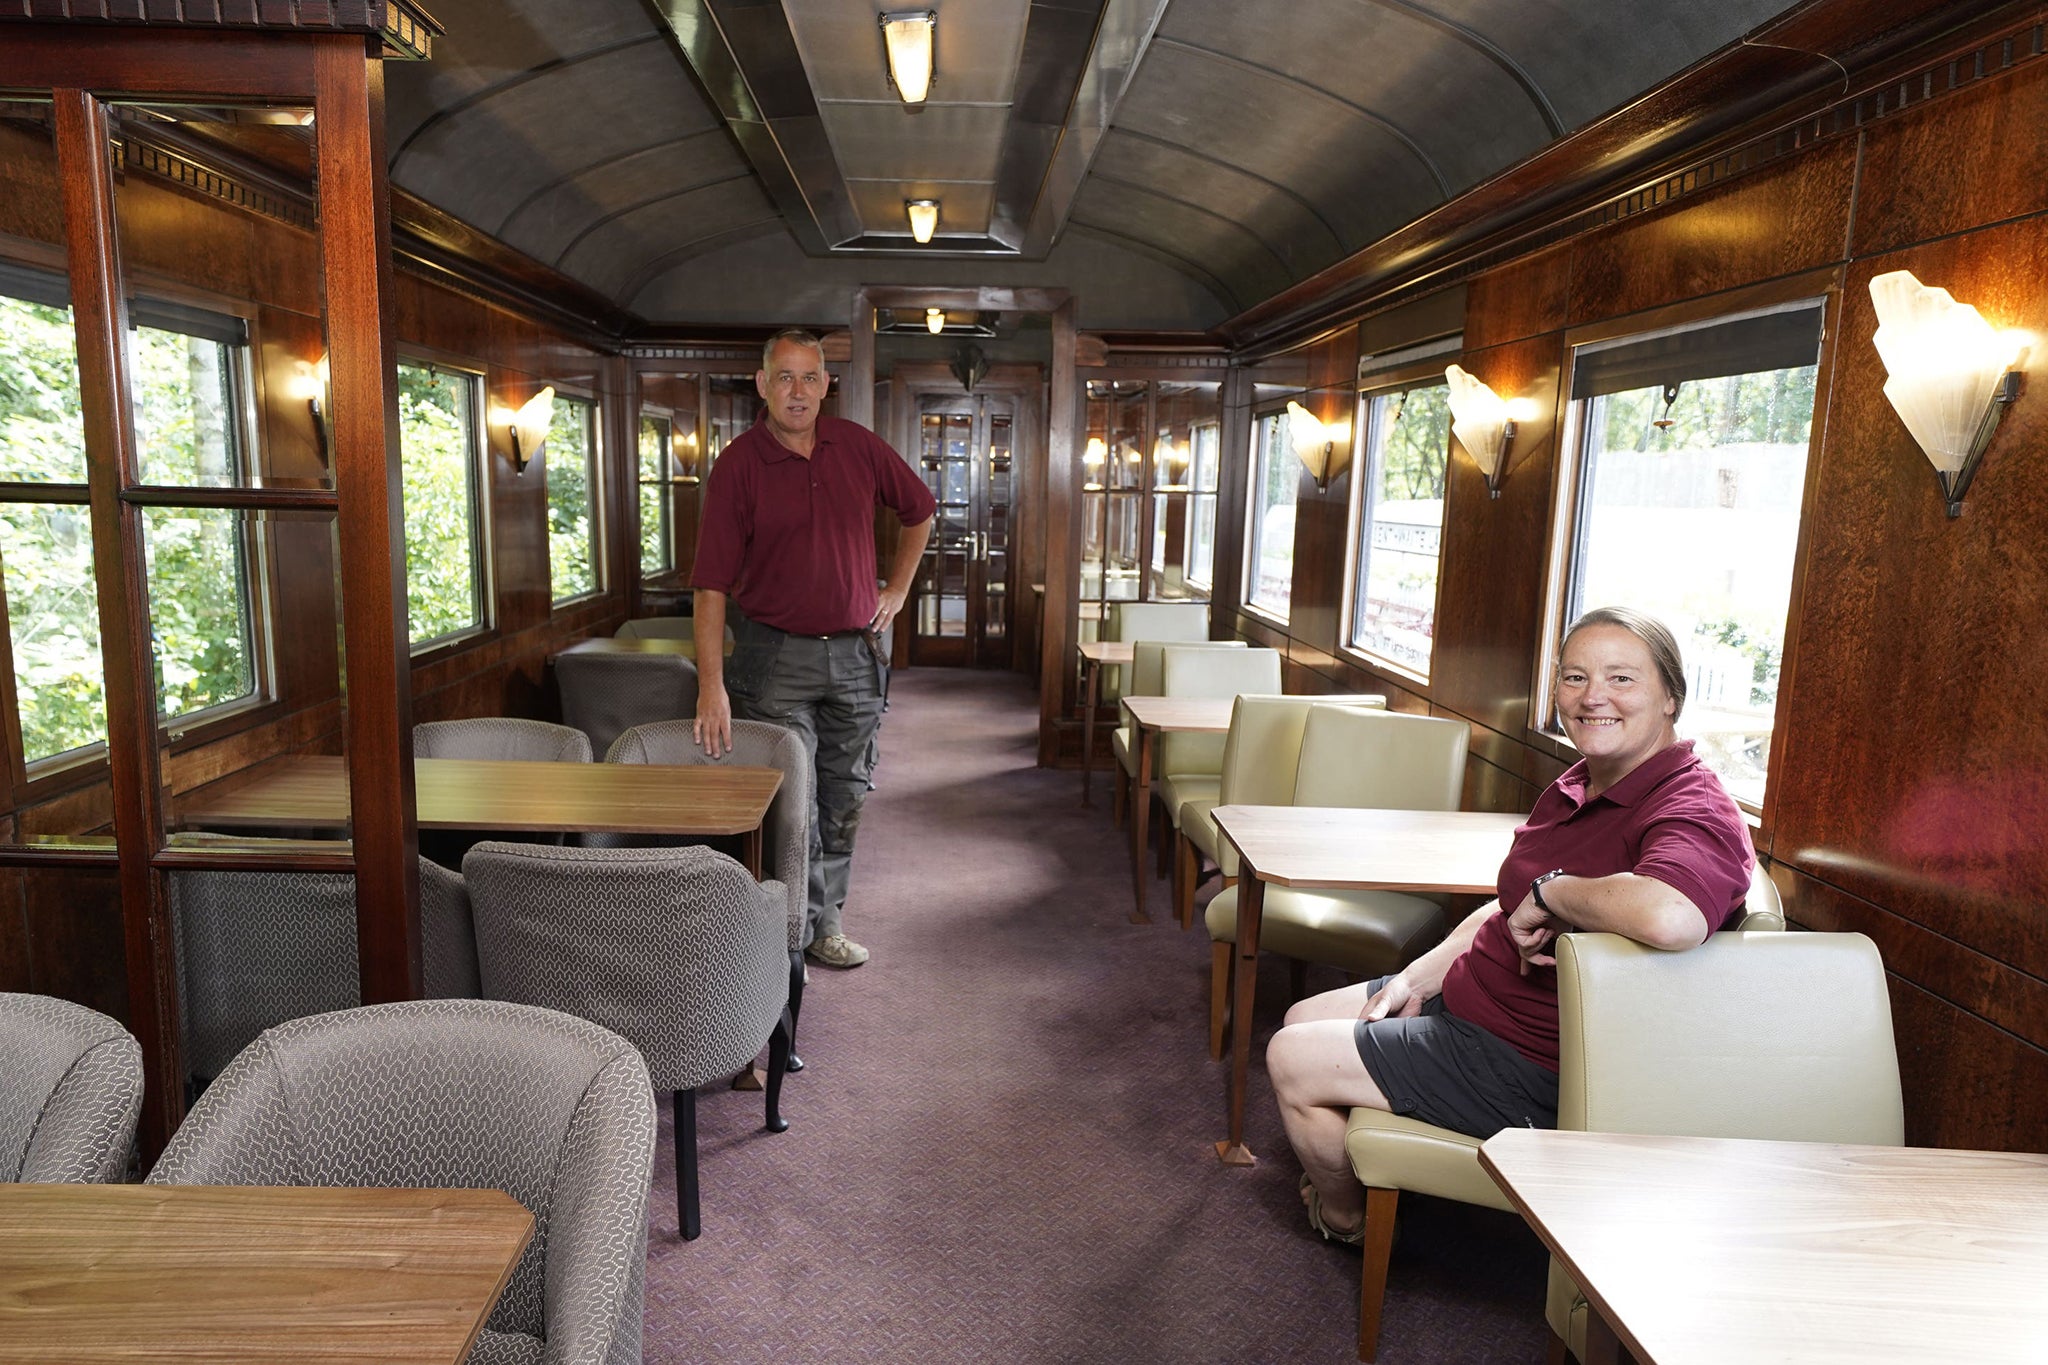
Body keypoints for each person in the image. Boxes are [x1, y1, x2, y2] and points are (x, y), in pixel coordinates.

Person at [1265, 606, 1754, 1243]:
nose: (1593, 697)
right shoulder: (1582, 783)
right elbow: (1506, 906)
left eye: (1622, 679)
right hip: (1475, 1005)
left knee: (1290, 1058)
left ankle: (1345, 1219)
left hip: (1532, 1063)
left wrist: (1557, 892)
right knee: (1300, 1017)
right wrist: (1420, 976)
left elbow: (1672, 914)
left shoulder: (1691, 807)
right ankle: (1382, 1168)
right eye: (1574, 678)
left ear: (1672, 698)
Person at [691, 329, 936, 969]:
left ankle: (826, 924)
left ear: (827, 384)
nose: (797, 392)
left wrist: (898, 589)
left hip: (857, 657)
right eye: (784, 378)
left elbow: (921, 510)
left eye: (809, 378)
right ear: (762, 384)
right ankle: (789, 931)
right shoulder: (739, 464)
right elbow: (711, 586)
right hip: (773, 662)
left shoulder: (856, 446)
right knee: (792, 801)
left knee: (846, 794)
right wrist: (710, 685)